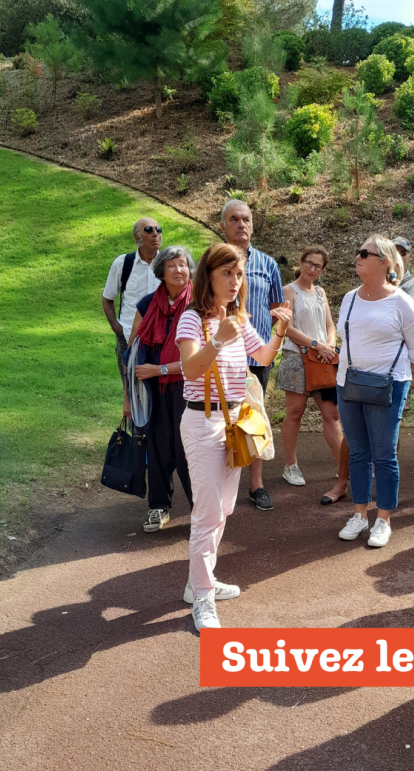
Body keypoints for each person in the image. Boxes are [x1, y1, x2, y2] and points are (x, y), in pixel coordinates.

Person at [176, 243, 292, 630]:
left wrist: (279, 333)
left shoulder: (239, 320)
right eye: (227, 272)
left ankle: (198, 584)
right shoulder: (192, 319)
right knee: (207, 514)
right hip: (202, 422)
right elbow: (191, 371)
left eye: (239, 274)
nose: (234, 280)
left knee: (223, 510)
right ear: (208, 275)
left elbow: (262, 358)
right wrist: (219, 339)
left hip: (234, 423)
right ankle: (203, 600)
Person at [336, 235, 414, 548]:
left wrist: (388, 377)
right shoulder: (349, 298)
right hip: (347, 384)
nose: (358, 256)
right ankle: (359, 514)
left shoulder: (402, 302)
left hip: (387, 386)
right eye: (358, 251)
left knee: (384, 454)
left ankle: (384, 519)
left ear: (384, 261)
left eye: (365, 252)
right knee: (358, 451)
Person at [122, 246, 195, 533]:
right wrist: (128, 398)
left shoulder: (199, 305)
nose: (179, 270)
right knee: (158, 447)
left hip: (189, 390)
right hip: (151, 392)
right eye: (172, 266)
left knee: (188, 450)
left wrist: (160, 369)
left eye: (183, 265)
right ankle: (159, 506)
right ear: (161, 272)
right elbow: (131, 356)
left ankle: (200, 510)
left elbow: (200, 359)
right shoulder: (146, 305)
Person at [220, 200, 285, 511]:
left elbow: (277, 310)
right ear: (223, 226)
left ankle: (255, 484)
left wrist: (271, 344)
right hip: (219, 356)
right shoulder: (211, 262)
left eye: (246, 219)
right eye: (234, 219)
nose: (241, 225)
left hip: (256, 358)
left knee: (255, 418)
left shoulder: (268, 265)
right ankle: (220, 484)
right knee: (221, 419)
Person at [277, 247, 345, 496]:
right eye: (308, 262)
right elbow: (287, 328)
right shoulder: (289, 290)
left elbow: (330, 324)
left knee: (332, 415)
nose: (312, 268)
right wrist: (316, 344)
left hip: (323, 359)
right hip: (297, 357)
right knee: (294, 413)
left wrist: (328, 345)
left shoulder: (321, 292)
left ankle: (344, 466)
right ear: (301, 262)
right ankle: (291, 465)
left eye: (317, 265)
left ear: (323, 269)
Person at [102, 218, 162, 388]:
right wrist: (117, 327)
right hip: (128, 337)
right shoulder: (123, 263)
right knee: (131, 392)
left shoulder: (168, 263)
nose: (155, 234)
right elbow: (108, 298)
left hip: (160, 339)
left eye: (158, 230)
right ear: (137, 237)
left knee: (157, 393)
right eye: (149, 230)